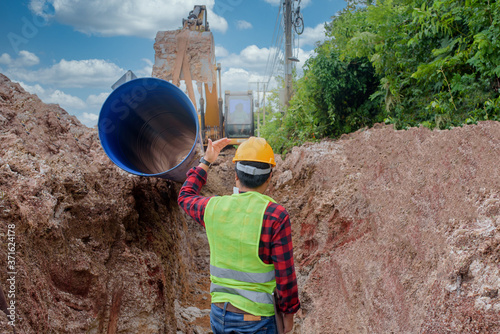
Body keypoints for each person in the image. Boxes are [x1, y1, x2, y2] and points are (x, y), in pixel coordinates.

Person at [178, 137, 300, 334]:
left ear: (236, 176)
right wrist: (289, 315)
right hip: (257, 319)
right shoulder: (275, 216)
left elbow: (185, 195)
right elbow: (285, 276)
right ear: (269, 177)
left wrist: (206, 161)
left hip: (220, 316)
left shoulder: (214, 208)